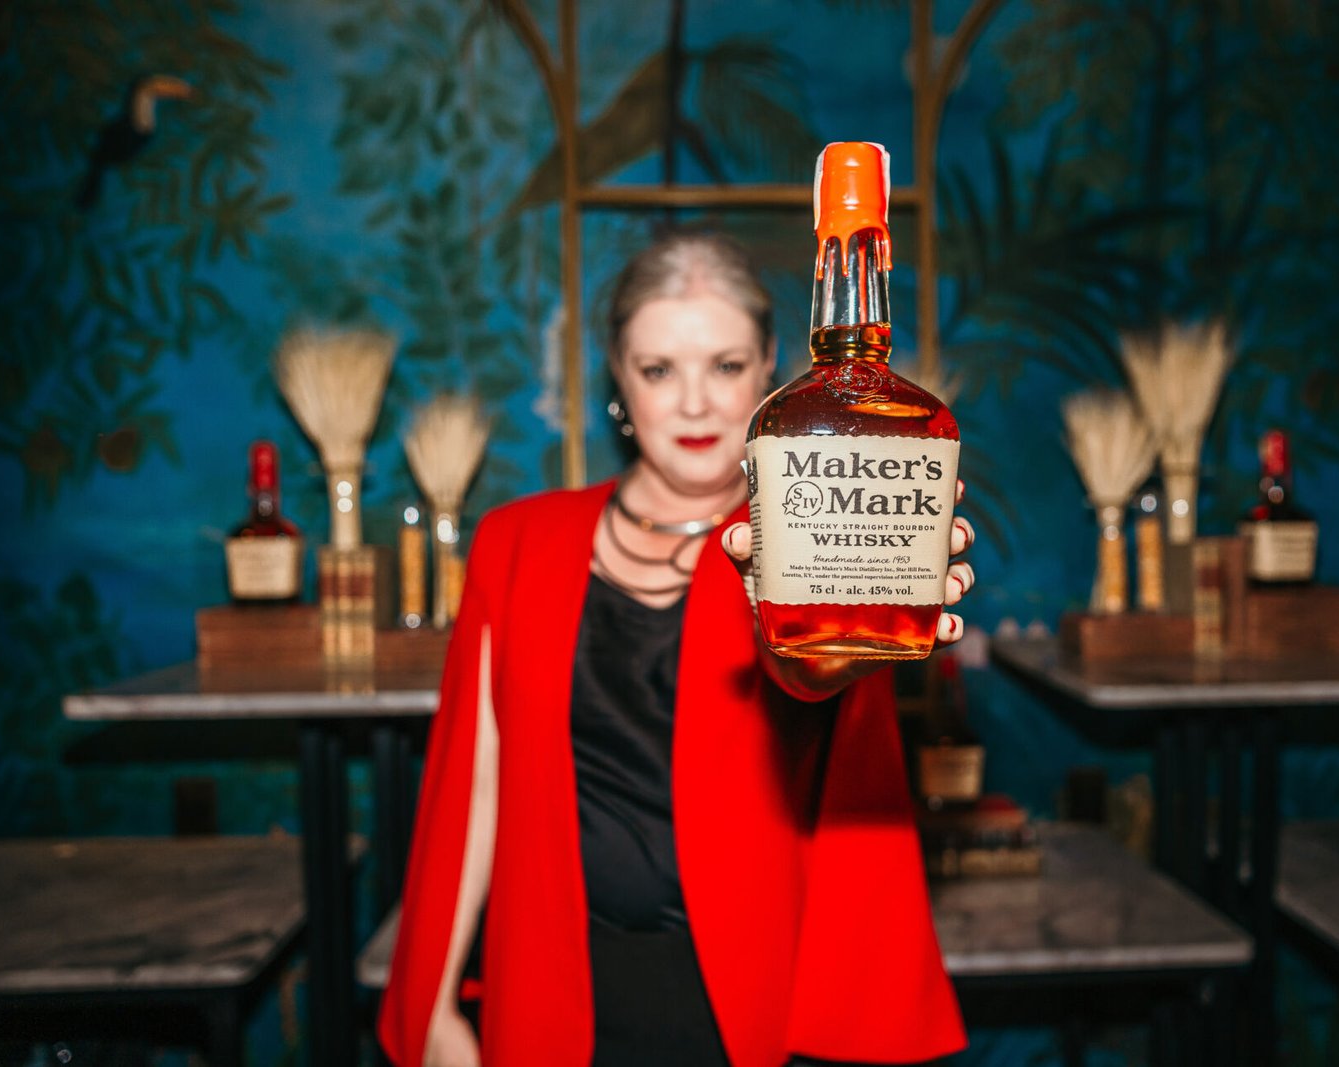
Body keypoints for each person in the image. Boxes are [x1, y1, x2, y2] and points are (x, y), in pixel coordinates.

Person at [378, 232, 977, 1067]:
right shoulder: (518, 544)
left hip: (749, 1010)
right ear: (619, 381)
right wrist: (437, 1000)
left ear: (769, 368)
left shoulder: (815, 549)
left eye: (725, 366)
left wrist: (832, 649)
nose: (695, 404)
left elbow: (807, 682)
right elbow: (473, 784)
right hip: (555, 997)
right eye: (659, 369)